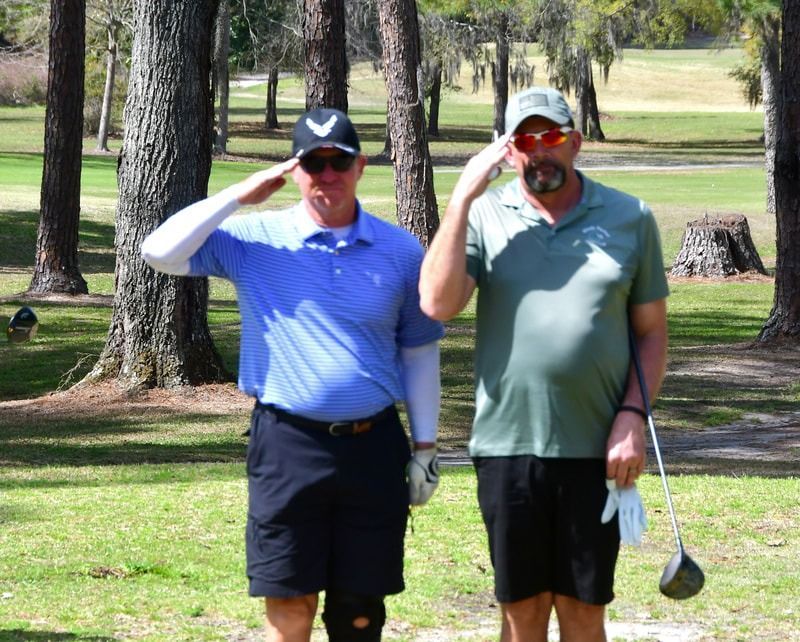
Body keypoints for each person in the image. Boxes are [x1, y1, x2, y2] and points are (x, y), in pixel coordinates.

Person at [141, 107, 444, 642]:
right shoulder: (254, 240)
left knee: (359, 608)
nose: (327, 175)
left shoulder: (401, 251)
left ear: (360, 166)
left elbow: (418, 352)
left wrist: (424, 448)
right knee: (289, 598)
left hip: (373, 446)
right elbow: (159, 252)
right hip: (286, 445)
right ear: (294, 169)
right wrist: (237, 195)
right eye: (313, 162)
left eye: (338, 162)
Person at [419, 87, 669, 642]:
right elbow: (437, 304)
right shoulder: (484, 215)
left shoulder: (630, 218)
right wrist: (461, 197)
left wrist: (633, 417)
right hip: (507, 447)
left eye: (551, 136)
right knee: (521, 613)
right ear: (510, 151)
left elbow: (651, 335)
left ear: (575, 142)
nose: (541, 151)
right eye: (526, 140)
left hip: (597, 449)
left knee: (583, 612)